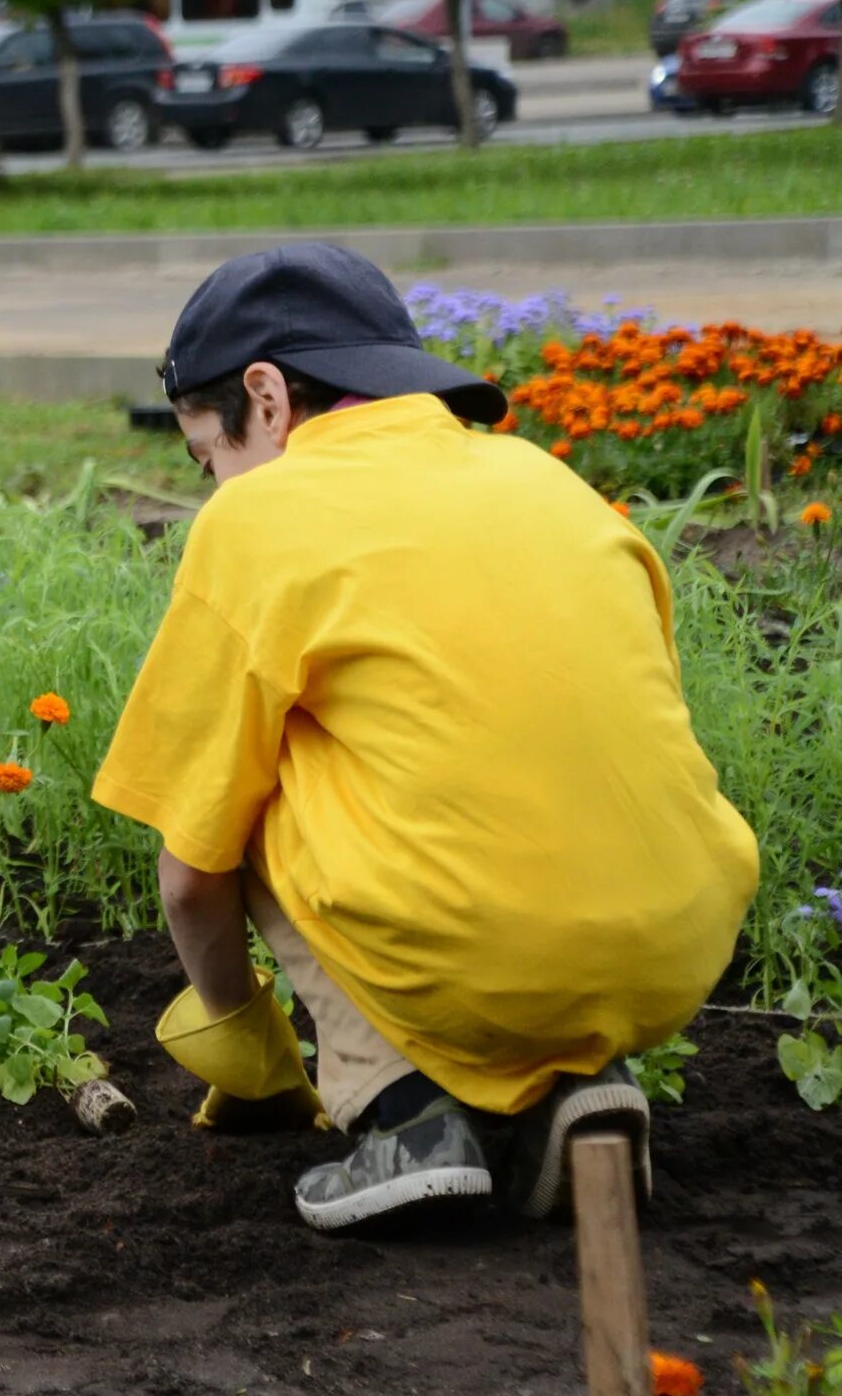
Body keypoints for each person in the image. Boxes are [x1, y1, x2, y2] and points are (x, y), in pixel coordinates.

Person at [95, 243, 757, 1232]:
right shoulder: (552, 483)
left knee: (251, 786)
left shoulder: (260, 518)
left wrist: (243, 1038)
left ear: (265, 398)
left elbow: (192, 871)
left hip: (473, 955)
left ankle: (408, 1114)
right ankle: (578, 1085)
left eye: (209, 458)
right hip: (675, 943)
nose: (214, 487)